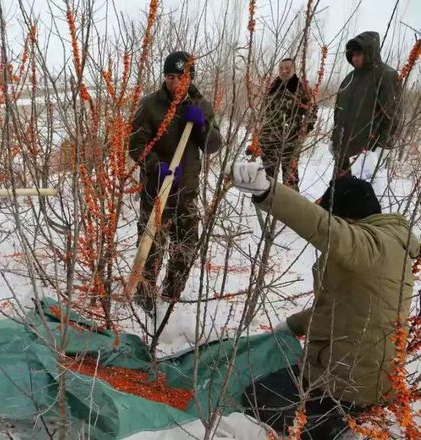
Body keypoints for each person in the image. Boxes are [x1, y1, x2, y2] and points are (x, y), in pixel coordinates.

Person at [232, 161, 419, 439]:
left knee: (256, 396)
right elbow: (344, 308)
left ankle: (329, 431)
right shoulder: (391, 245)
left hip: (345, 385)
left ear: (347, 219)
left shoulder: (365, 245)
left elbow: (321, 226)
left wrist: (267, 191)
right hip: (374, 379)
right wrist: (294, 325)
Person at [129, 51, 223, 312]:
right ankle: (144, 300)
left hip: (186, 192)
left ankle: (171, 296)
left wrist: (203, 126)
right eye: (169, 76)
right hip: (156, 191)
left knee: (185, 249)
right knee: (151, 250)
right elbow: (135, 145)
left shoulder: (201, 105)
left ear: (189, 77)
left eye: (180, 77)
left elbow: (214, 145)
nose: (174, 83)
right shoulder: (150, 105)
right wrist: (154, 166)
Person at [331, 31, 401, 175]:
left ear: (369, 52)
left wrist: (384, 147)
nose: (354, 58)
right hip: (343, 148)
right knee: (337, 192)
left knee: (358, 195)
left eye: (358, 54)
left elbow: (391, 115)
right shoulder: (349, 78)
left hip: (366, 152)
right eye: (353, 55)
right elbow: (339, 112)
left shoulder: (385, 75)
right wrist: (334, 138)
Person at [251, 58, 316, 191]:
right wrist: (259, 134)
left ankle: (291, 206)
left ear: (294, 69)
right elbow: (264, 112)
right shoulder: (273, 87)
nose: (284, 71)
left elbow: (312, 111)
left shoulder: (301, 88)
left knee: (290, 177)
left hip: (290, 140)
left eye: (287, 68)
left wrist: (304, 131)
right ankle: (270, 203)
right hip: (269, 140)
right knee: (268, 177)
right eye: (281, 68)